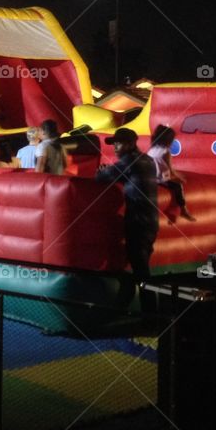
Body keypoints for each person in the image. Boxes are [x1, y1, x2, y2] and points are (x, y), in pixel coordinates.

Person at [96, 128, 159, 310]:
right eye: (114, 143)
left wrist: (104, 171)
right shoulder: (147, 160)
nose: (115, 147)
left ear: (131, 144)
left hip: (138, 221)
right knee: (137, 266)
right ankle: (125, 305)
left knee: (140, 270)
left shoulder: (129, 161)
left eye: (119, 143)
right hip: (150, 221)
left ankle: (150, 316)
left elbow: (101, 177)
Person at [146, 125, 195, 222]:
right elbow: (170, 169)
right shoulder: (166, 152)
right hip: (161, 179)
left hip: (151, 178)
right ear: (168, 140)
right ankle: (183, 210)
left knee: (176, 180)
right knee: (178, 185)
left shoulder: (151, 150)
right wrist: (179, 178)